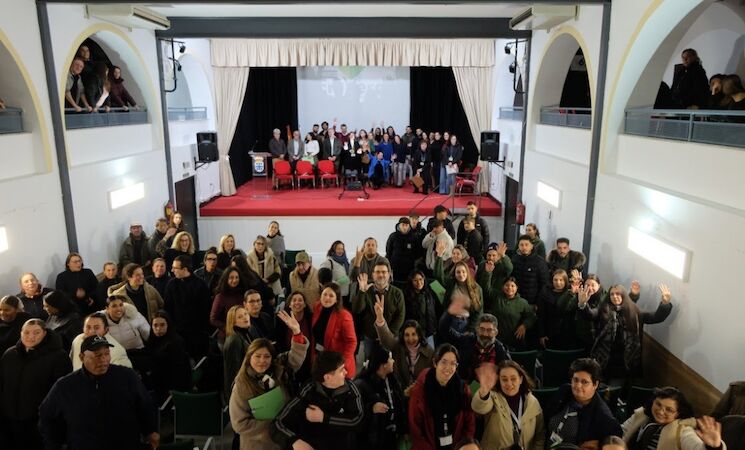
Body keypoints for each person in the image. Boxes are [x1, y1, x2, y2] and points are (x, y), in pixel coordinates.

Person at [39, 335, 159, 450]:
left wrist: (151, 430)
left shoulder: (127, 376)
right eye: (97, 355)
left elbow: (145, 404)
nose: (103, 360)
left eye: (107, 354)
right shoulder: (65, 386)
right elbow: (47, 416)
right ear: (81, 357)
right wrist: (53, 445)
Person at [229, 323, 309, 450]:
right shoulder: (241, 385)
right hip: (258, 445)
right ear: (249, 358)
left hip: (284, 443)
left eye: (267, 356)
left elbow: (295, 357)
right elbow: (240, 424)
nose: (262, 361)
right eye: (258, 356)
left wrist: (297, 332)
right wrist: (276, 428)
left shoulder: (279, 372)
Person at [578, 282, 673, 384]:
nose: (615, 296)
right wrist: (583, 304)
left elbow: (655, 317)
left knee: (617, 387)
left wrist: (665, 304)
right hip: (604, 358)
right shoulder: (603, 310)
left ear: (624, 296)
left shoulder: (634, 312)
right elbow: (590, 315)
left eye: (618, 294)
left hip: (625, 361)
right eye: (612, 294)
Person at [0, 319, 71, 450]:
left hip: (40, 423)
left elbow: (63, 393)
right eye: (26, 332)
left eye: (36, 332)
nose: (30, 337)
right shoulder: (9, 354)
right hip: (10, 421)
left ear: (44, 333)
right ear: (21, 333)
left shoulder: (58, 357)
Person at [272, 350, 365, 449]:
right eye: (341, 370)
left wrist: (324, 418)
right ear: (327, 377)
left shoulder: (350, 388)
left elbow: (358, 420)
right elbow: (278, 422)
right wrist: (294, 441)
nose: (346, 372)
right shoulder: (309, 388)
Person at [408, 343, 476, 450]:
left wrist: (462, 447)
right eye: (444, 362)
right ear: (435, 363)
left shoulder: (463, 389)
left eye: (453, 363)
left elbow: (469, 423)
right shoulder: (420, 390)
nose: (448, 368)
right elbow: (415, 429)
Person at [544, 358, 622, 448]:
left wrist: (598, 445)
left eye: (584, 382)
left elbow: (616, 440)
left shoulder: (604, 417)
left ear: (595, 384)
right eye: (575, 380)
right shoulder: (564, 391)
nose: (578, 385)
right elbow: (546, 417)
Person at [471, 360, 545, 450]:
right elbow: (479, 407)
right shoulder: (493, 397)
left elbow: (540, 435)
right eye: (504, 379)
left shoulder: (532, 402)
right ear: (499, 381)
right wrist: (484, 391)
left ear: (521, 379)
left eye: (513, 379)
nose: (509, 384)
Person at [622, 387, 726, 450]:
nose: (660, 411)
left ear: (678, 413)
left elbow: (697, 447)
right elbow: (622, 432)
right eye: (658, 404)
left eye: (669, 410)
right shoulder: (642, 414)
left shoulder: (682, 430)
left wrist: (714, 447)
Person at [355, 343, 407, 450]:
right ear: (383, 364)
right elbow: (355, 412)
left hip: (392, 434)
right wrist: (371, 408)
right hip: (373, 439)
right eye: (391, 359)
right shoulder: (362, 385)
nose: (393, 361)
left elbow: (399, 405)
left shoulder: (393, 380)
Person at [353, 262, 406, 363]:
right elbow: (357, 310)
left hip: (390, 336)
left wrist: (387, 334)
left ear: (389, 274)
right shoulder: (366, 290)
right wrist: (362, 292)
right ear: (373, 275)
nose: (381, 275)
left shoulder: (397, 293)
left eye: (383, 272)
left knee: (391, 364)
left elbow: (400, 316)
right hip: (370, 337)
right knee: (369, 364)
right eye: (377, 272)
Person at [439, 311, 510, 382]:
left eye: (489, 330)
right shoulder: (466, 340)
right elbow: (445, 330)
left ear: (496, 332)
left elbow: (509, 371)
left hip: (489, 387)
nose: (485, 334)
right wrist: (451, 312)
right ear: (477, 330)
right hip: (464, 385)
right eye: (482, 329)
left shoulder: (500, 350)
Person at [164, 255, 212, 359]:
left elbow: (205, 310)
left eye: (175, 268)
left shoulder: (200, 285)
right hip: (177, 333)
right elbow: (167, 308)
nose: (172, 270)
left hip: (196, 333)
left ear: (185, 269)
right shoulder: (171, 284)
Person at [312, 283, 357, 378]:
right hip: (320, 357)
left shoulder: (344, 316)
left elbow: (352, 342)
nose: (327, 298)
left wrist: (341, 363)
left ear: (337, 299)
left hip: (336, 364)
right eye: (325, 294)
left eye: (331, 296)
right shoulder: (317, 307)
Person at [146, 311, 191, 402]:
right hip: (159, 382)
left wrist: (172, 389)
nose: (158, 329)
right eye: (155, 325)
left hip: (173, 386)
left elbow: (179, 369)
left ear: (168, 325)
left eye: (162, 325)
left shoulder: (176, 342)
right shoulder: (152, 339)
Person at [482, 277, 536, 351]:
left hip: (514, 339)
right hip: (496, 337)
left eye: (512, 286)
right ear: (502, 287)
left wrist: (524, 325)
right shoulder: (497, 297)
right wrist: (487, 273)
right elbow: (486, 288)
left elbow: (531, 316)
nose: (509, 288)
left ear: (517, 288)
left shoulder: (522, 302)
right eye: (507, 285)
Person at [275, 291, 314, 384]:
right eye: (294, 300)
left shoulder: (311, 318)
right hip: (290, 359)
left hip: (308, 359)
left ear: (305, 304)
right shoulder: (281, 320)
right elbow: (279, 341)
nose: (297, 302)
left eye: (300, 300)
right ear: (289, 305)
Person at [537, 269, 581, 349]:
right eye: (555, 280)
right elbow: (541, 315)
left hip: (567, 331)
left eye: (561, 280)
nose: (558, 283)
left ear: (565, 281)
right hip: (550, 331)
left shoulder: (571, 292)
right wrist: (541, 334)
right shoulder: (545, 293)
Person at [511, 234, 550, 307]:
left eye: (526, 245)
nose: (524, 247)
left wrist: (539, 302)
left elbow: (544, 284)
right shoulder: (514, 260)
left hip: (532, 302)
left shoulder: (539, 262)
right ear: (518, 246)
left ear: (531, 246)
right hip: (516, 300)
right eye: (521, 245)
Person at [223, 305, 255, 394]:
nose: (245, 317)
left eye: (246, 314)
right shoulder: (234, 340)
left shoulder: (245, 332)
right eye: (240, 317)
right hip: (240, 388)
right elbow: (233, 370)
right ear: (233, 322)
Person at [211, 266, 248, 339]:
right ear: (226, 279)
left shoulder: (243, 293)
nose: (235, 280)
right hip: (228, 336)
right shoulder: (220, 297)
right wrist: (227, 328)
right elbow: (213, 319)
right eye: (231, 277)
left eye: (237, 277)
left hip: (244, 333)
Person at [403, 270, 438, 342]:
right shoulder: (406, 296)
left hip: (429, 332)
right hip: (414, 333)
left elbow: (436, 310)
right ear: (411, 281)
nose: (419, 282)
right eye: (415, 280)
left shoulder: (430, 293)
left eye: (420, 279)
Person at [386, 217, 419, 282]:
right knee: (396, 283)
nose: (404, 227)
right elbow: (388, 251)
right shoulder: (393, 236)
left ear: (409, 226)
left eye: (406, 225)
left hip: (409, 268)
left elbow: (417, 251)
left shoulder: (414, 237)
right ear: (399, 225)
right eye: (403, 225)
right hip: (395, 267)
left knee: (408, 283)